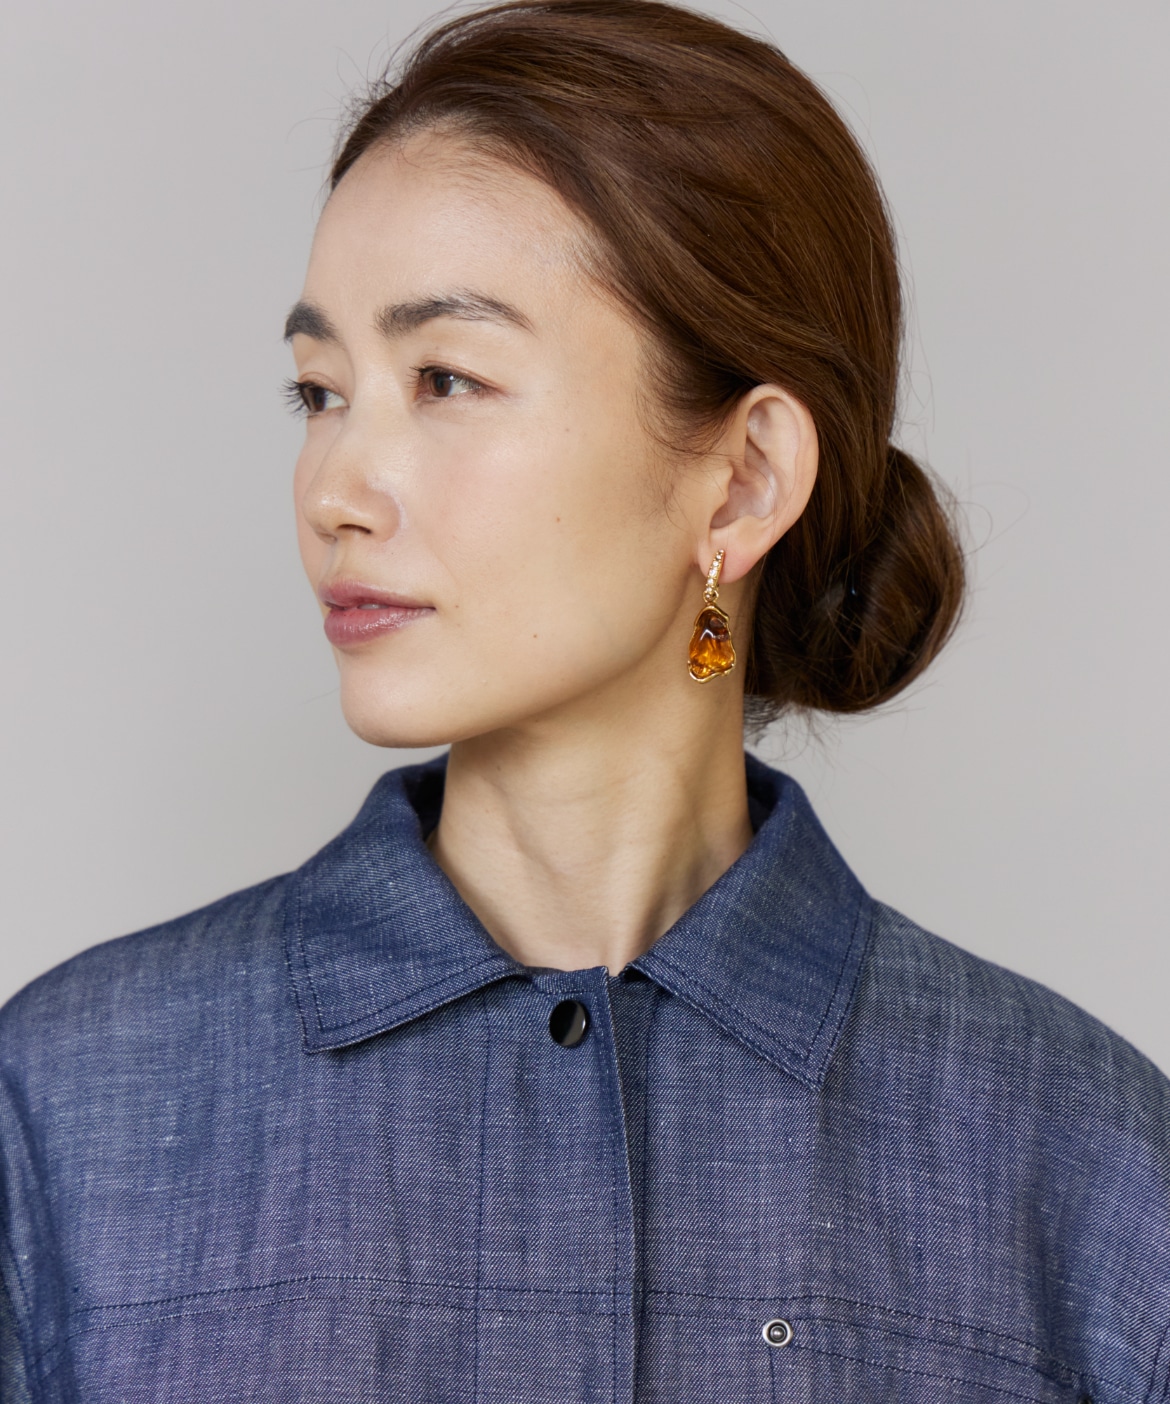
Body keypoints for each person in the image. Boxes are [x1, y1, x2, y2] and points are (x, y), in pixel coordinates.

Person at [2, 0, 1167, 1398]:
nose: (332, 491)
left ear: (740, 482)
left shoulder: (1085, 1166)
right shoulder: (62, 1116)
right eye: (319, 392)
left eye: (446, 378)